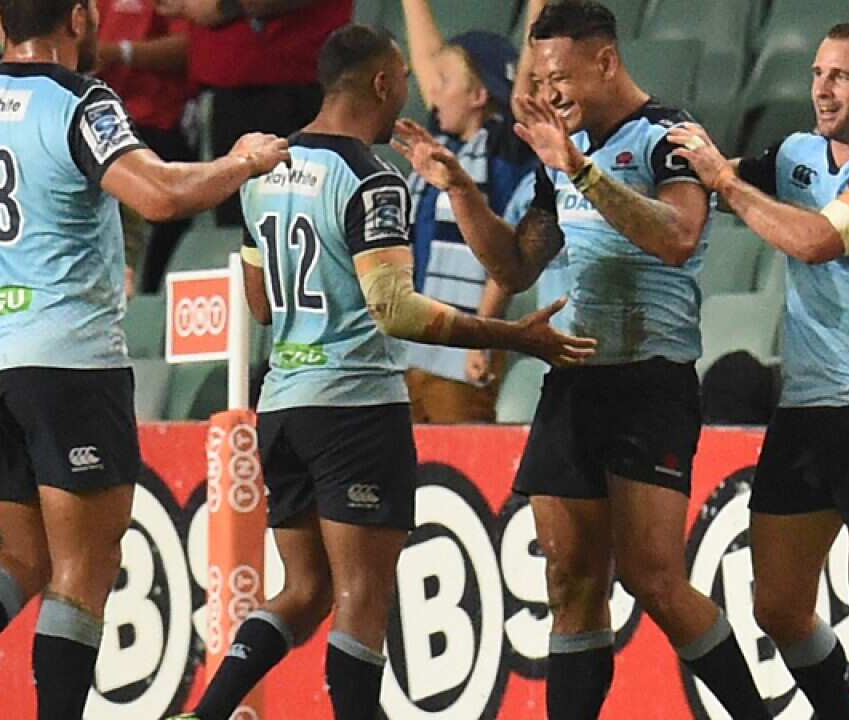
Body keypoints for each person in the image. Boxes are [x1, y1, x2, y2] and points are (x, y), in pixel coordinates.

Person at [168, 24, 596, 720]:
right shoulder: (372, 179)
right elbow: (394, 310)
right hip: (355, 407)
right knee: (361, 600)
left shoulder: (264, 167)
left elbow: (260, 304)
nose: (409, 88)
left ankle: (206, 713)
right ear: (379, 83)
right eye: (403, 76)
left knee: (303, 590)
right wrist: (512, 336)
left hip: (284, 402)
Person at [0, 0, 290, 718]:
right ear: (77, 17)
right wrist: (242, 162)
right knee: (85, 569)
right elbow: (159, 195)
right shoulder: (79, 101)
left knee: (25, 556)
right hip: (69, 363)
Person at [396, 2, 771, 718]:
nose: (550, 93)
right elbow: (514, 262)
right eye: (539, 80)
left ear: (606, 61)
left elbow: (678, 237)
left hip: (650, 382)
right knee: (569, 581)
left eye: (560, 78)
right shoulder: (562, 155)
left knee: (653, 579)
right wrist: (461, 190)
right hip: (572, 382)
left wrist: (581, 169)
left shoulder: (668, 137)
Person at [670, 22, 849, 720]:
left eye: (841, 76)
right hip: (805, 406)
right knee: (779, 606)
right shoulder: (795, 153)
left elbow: (817, 239)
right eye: (818, 73)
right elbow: (705, 186)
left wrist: (725, 180)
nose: (822, 88)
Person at [399, 0, 540, 423]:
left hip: (463, 356)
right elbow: (429, 59)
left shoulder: (507, 150)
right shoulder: (442, 146)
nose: (433, 92)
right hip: (410, 352)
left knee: (454, 461)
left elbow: (528, 79)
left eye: (445, 81)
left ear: (480, 96)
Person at [154, 0, 352, 227]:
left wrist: (225, 5)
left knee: (302, 218)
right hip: (235, 89)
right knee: (246, 223)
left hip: (289, 87)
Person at [96, 0, 199, 293]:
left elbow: (189, 47)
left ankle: (150, 293)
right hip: (102, 123)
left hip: (159, 123)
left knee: (164, 218)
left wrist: (120, 53)